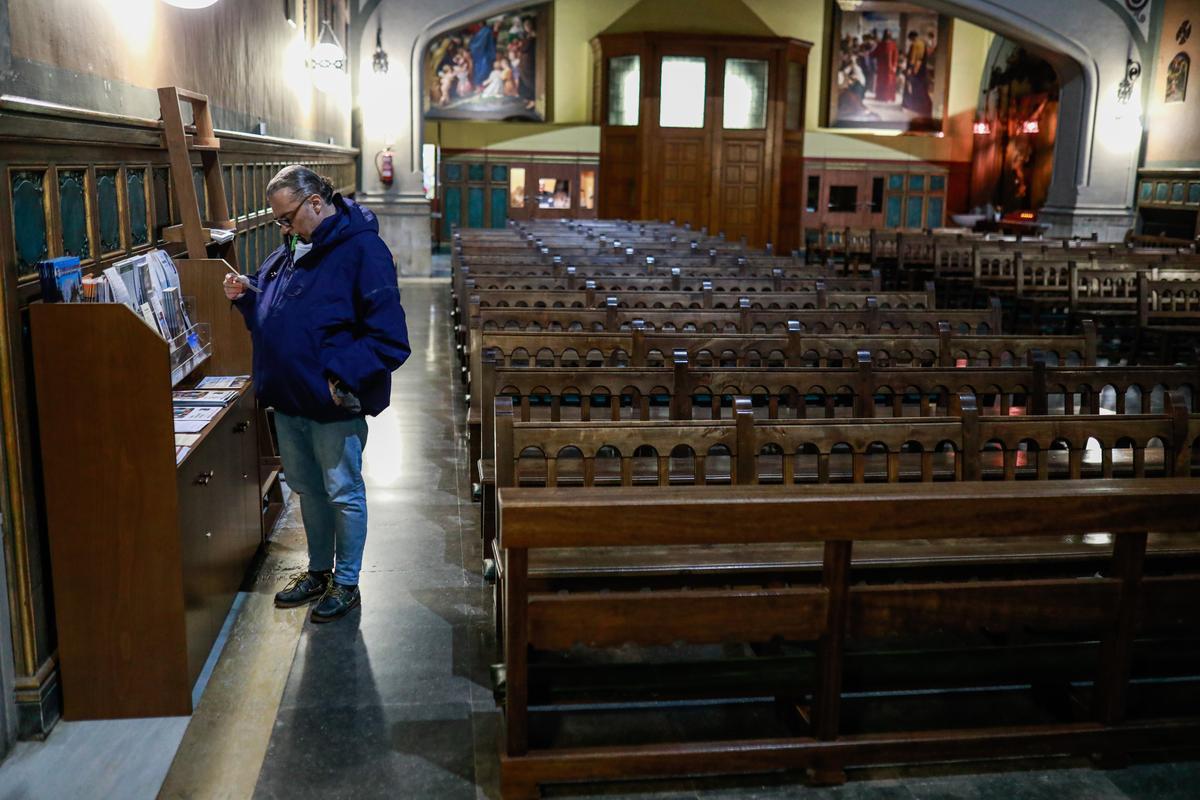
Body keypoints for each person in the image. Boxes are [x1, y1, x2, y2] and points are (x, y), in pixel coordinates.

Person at [223, 166, 410, 623]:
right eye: (278, 222)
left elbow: (390, 339)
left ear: (315, 203)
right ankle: (319, 571)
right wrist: (248, 298)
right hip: (289, 397)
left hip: (329, 401)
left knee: (342, 492)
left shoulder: (363, 250)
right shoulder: (294, 247)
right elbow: (280, 310)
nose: (283, 228)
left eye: (288, 217)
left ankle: (346, 582)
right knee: (308, 491)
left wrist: (339, 380)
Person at [871, 30, 898, 103]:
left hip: (890, 68)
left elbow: (895, 56)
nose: (887, 36)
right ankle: (881, 97)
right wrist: (868, 53)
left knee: (889, 82)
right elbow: (874, 54)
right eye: (886, 34)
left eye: (889, 34)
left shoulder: (893, 44)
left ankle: (888, 97)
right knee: (882, 82)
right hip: (882, 68)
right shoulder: (880, 44)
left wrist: (894, 66)